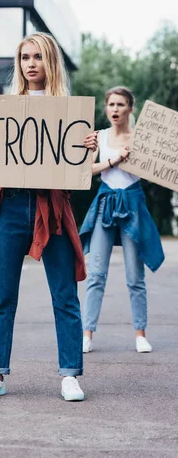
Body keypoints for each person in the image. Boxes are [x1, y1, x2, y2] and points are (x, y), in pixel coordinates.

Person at [0, 32, 98, 401]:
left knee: (64, 295)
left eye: (37, 56)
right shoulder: (4, 107)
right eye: (24, 57)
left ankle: (70, 374)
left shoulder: (67, 109)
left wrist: (88, 147)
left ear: (49, 61)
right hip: (10, 205)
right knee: (2, 295)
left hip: (51, 207)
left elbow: (75, 168)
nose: (30, 63)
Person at [80, 86, 164, 354]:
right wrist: (113, 161)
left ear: (130, 108)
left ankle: (140, 334)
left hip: (133, 205)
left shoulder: (142, 139)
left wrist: (143, 159)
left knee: (134, 275)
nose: (115, 109)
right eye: (111, 105)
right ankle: (87, 334)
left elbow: (156, 173)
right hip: (106, 203)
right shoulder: (99, 137)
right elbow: (85, 170)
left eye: (120, 105)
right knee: (95, 273)